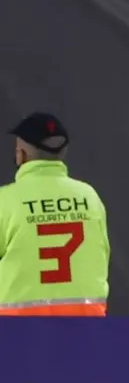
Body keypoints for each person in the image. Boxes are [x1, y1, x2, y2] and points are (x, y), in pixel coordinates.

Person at [0, 113, 110, 316]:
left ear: (21, 154)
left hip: (20, 334)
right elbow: (101, 255)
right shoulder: (89, 197)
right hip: (86, 329)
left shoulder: (5, 202)